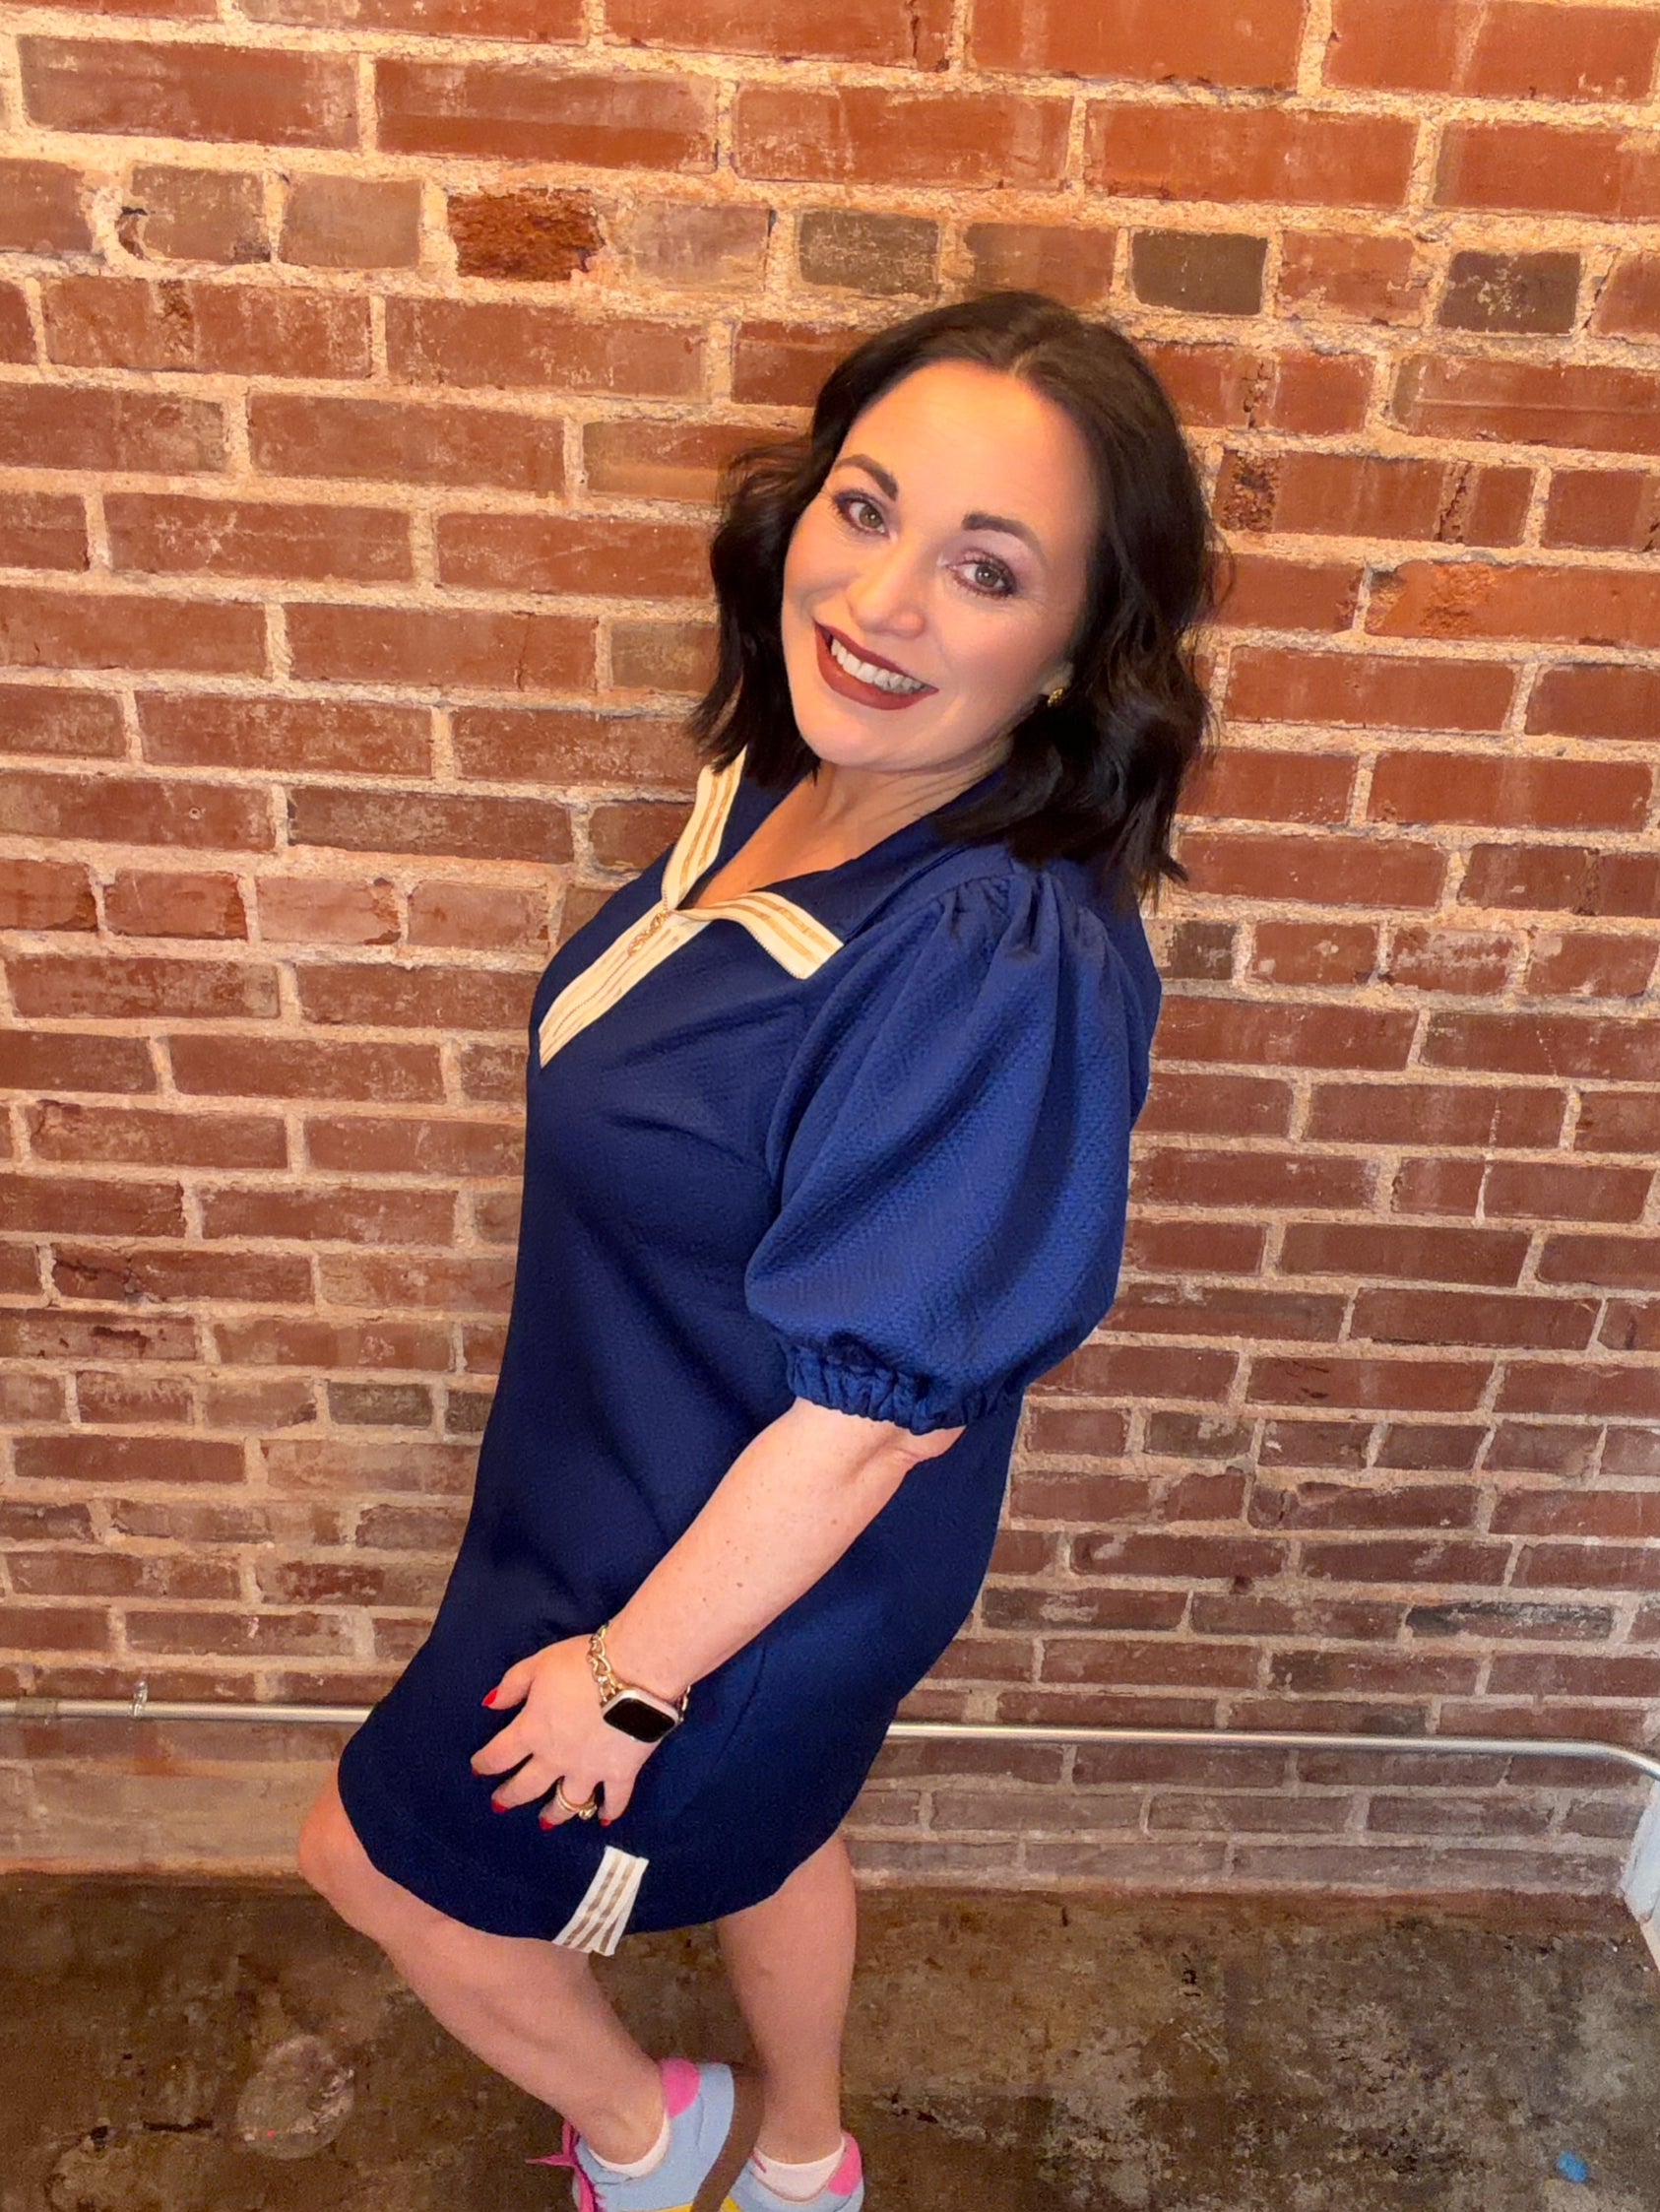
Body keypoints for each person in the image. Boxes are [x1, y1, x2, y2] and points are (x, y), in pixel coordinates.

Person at [296, 289, 1224, 2212]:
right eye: (865, 508)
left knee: (377, 1863)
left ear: (1074, 647)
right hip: (621, 1475)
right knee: (782, 1839)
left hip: (720, 1576)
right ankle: (802, 2160)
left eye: (987, 568)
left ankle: (660, 2144)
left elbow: (877, 1418)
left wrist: (629, 1677)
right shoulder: (790, 782)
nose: (882, 602)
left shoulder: (988, 948)